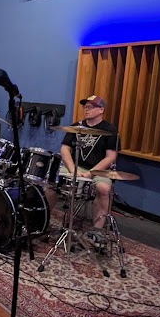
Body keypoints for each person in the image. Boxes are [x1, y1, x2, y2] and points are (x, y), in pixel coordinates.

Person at [44, 95, 118, 232]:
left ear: (101, 110)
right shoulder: (76, 127)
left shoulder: (110, 130)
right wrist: (73, 170)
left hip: (99, 170)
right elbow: (64, 149)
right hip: (76, 167)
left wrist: (91, 173)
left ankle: (96, 231)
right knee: (51, 183)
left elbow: (110, 157)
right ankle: (43, 221)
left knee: (103, 189)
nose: (86, 109)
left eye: (90, 107)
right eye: (85, 106)